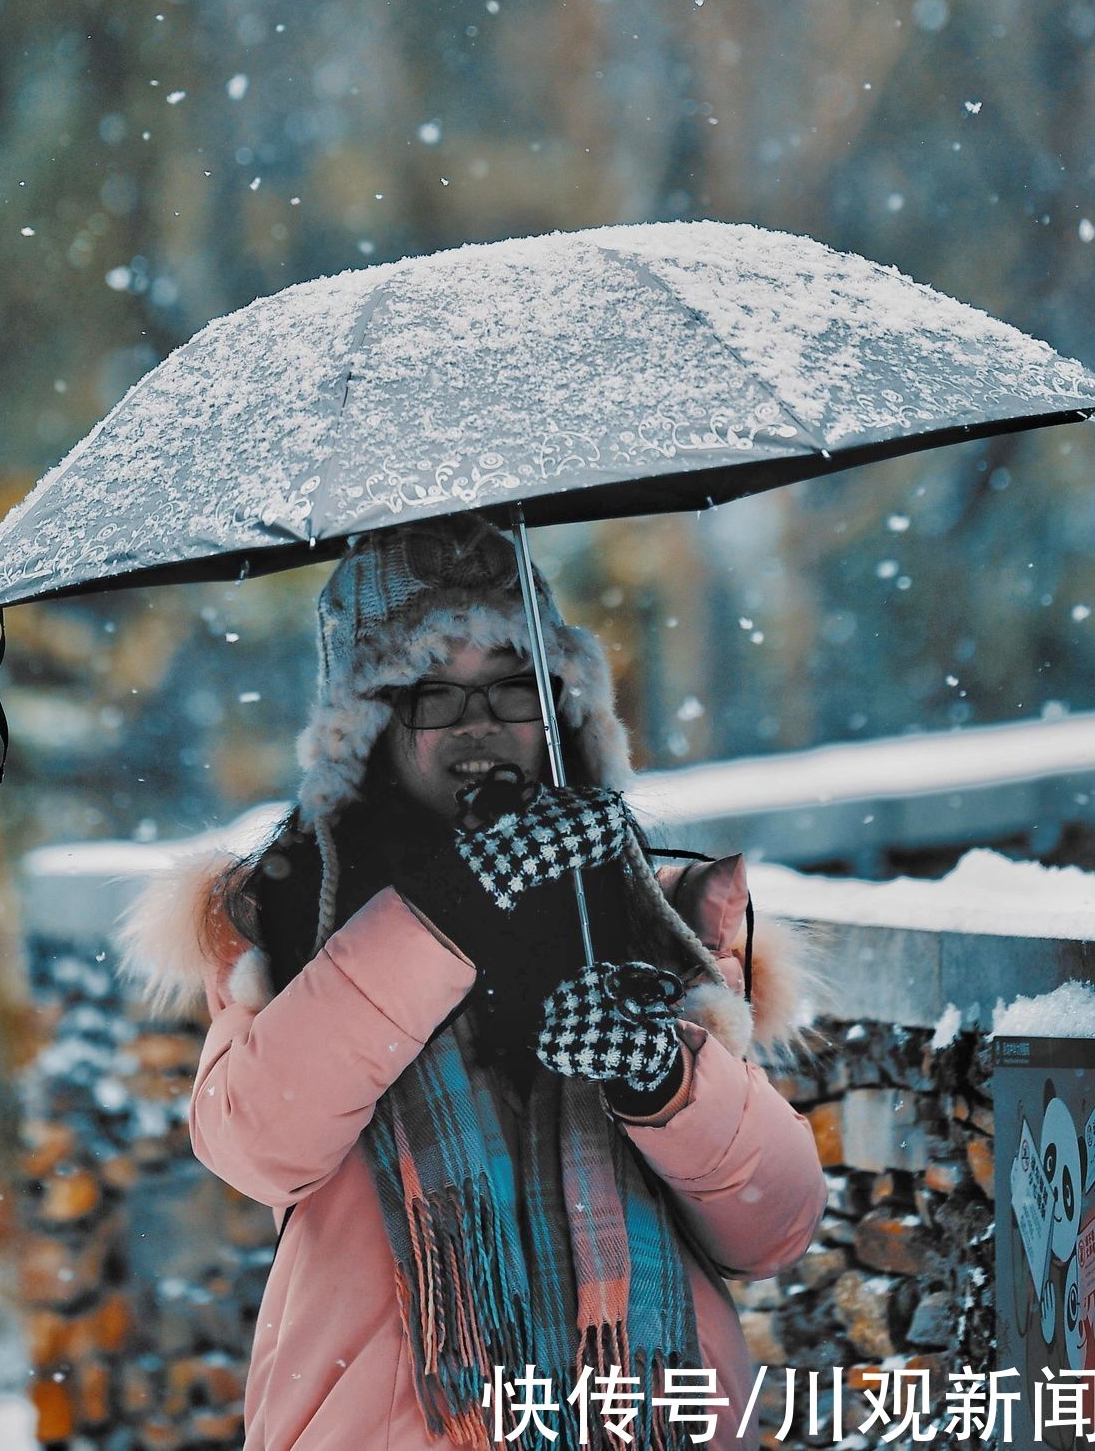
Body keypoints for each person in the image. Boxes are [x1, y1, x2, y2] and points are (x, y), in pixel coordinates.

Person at [124, 512, 825, 1451]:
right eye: (431, 696)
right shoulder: (291, 911)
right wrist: (446, 912)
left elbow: (773, 1229)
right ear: (367, 725)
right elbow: (258, 1144)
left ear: (559, 705)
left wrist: (663, 1081)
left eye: (509, 688)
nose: (480, 726)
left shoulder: (657, 913)